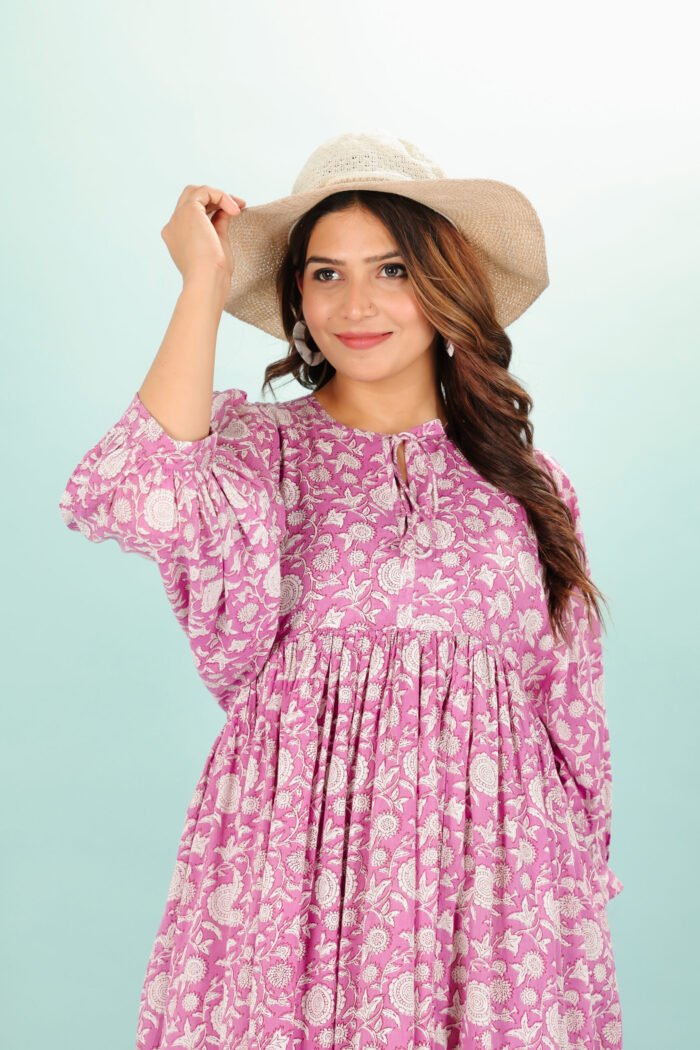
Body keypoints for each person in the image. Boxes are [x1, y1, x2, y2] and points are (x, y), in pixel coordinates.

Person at [58, 130, 624, 1049]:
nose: (355, 304)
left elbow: (572, 722)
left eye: (392, 269)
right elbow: (132, 491)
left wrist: (568, 914)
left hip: (491, 904)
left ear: (448, 283)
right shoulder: (256, 456)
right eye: (324, 274)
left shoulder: (531, 486)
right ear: (295, 296)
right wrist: (202, 280)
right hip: (296, 888)